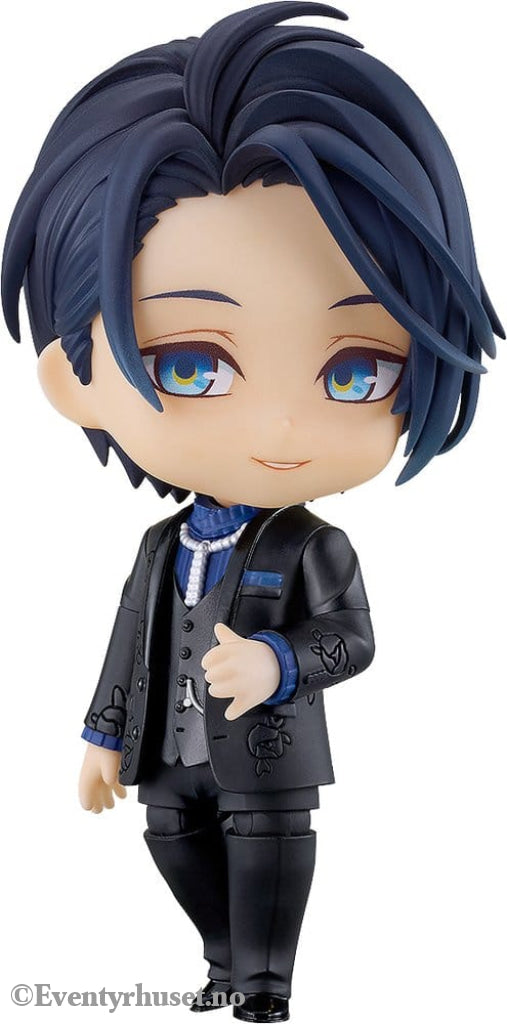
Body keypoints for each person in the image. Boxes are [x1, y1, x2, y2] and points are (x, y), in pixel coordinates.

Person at [2, 3, 501, 1021]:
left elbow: (353, 638)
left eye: (357, 371)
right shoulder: (159, 546)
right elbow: (128, 643)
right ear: (75, 380)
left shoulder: (314, 542)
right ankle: (224, 958)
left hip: (269, 759)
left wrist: (279, 663)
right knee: (171, 844)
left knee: (268, 863)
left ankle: (266, 985)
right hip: (169, 756)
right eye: (191, 365)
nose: (278, 425)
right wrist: (103, 735)